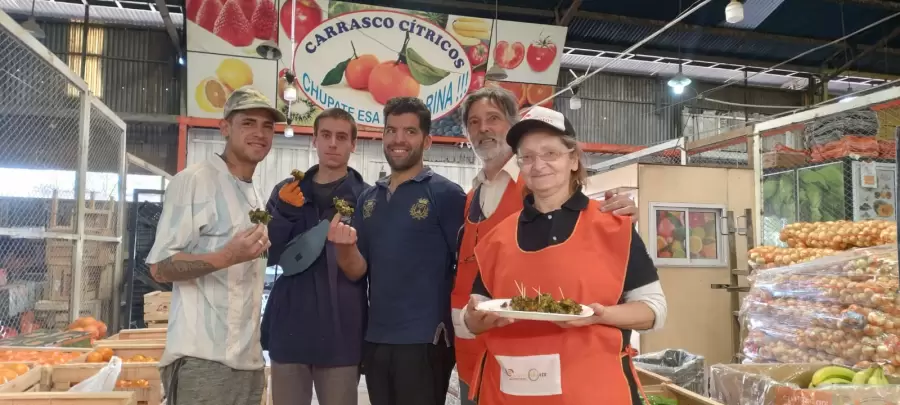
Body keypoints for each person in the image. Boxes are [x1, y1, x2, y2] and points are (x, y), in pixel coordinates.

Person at [461, 106, 667, 405]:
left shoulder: (611, 225)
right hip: (509, 393)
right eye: (527, 157)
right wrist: (475, 318)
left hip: (592, 392)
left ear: (573, 159)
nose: (538, 165)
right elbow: (475, 317)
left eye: (550, 154)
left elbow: (654, 310)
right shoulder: (498, 238)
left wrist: (601, 315)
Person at [146, 86, 285, 405]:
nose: (260, 133)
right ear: (225, 127)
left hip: (247, 361)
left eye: (267, 126)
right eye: (248, 123)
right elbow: (159, 267)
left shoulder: (253, 192)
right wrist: (226, 256)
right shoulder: (195, 181)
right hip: (204, 361)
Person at [327, 97, 467, 405]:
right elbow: (357, 269)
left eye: (410, 131)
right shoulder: (368, 198)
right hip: (376, 337)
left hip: (425, 340)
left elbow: (467, 264)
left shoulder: (446, 194)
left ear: (427, 140)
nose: (398, 139)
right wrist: (343, 247)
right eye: (391, 130)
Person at [260, 108, 369, 405]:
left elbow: (364, 270)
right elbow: (267, 256)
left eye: (341, 137)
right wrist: (283, 213)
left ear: (353, 144)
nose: (333, 143)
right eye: (326, 135)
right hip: (290, 327)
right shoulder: (287, 192)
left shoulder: (366, 199)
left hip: (341, 331)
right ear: (315, 141)